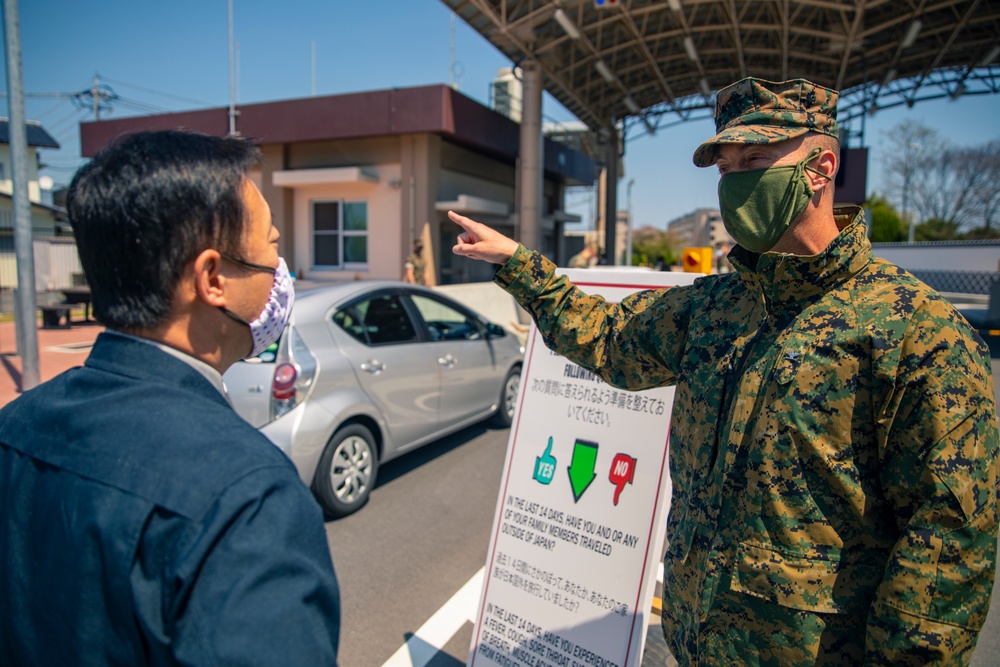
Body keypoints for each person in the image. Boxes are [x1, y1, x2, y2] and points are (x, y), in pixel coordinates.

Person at [448, 77, 999, 665]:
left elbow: (947, 544)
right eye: (725, 168)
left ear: (822, 167)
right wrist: (520, 265)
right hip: (695, 645)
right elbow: (608, 342)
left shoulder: (917, 331)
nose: (737, 183)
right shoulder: (714, 307)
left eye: (757, 160)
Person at [0, 130, 341, 665]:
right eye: (272, 247)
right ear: (213, 278)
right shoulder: (250, 496)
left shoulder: (13, 426)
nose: (281, 273)